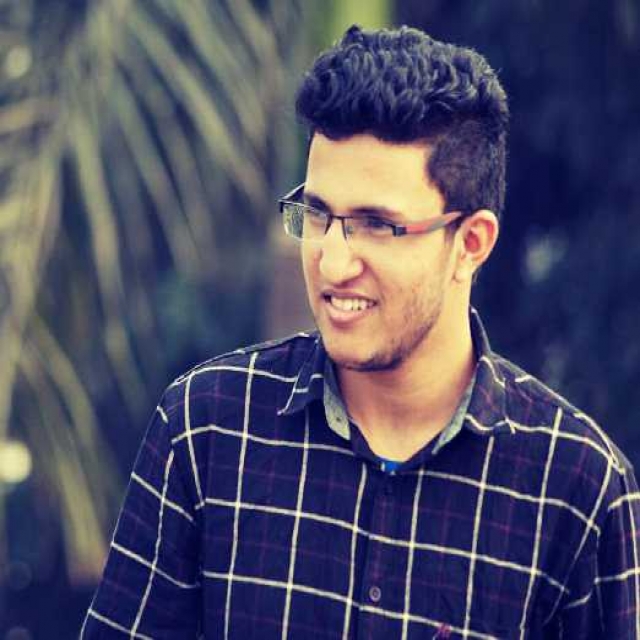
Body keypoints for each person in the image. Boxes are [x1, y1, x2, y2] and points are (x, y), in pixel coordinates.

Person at [81, 24, 640, 639]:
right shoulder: (206, 428)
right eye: (318, 214)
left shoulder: (578, 491)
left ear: (471, 243)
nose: (333, 261)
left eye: (377, 225)